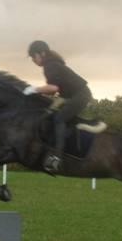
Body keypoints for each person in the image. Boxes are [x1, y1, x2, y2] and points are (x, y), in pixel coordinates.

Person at [24, 40, 97, 173]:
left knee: (59, 119)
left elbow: (53, 88)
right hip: (74, 95)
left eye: (34, 56)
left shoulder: (50, 65)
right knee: (51, 115)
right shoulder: (52, 64)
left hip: (80, 95)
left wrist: (34, 90)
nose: (33, 60)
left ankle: (57, 158)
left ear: (42, 53)